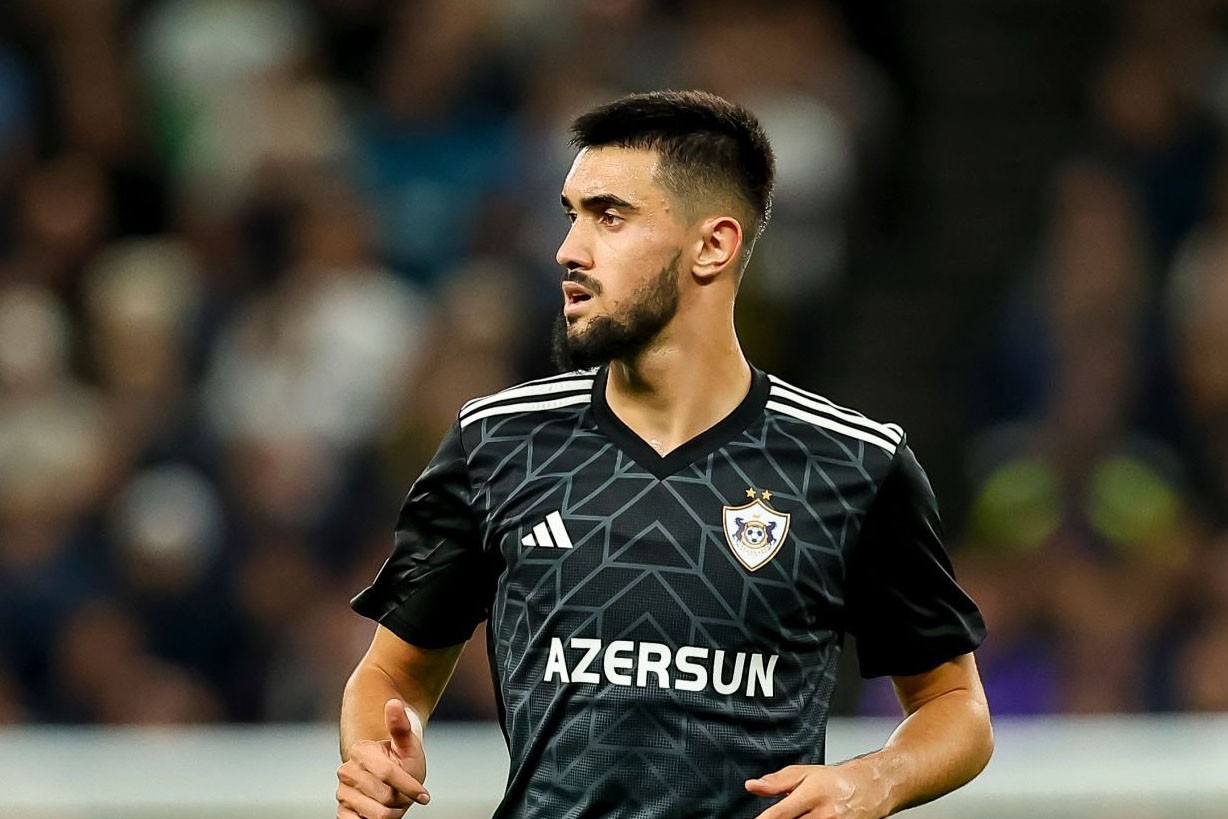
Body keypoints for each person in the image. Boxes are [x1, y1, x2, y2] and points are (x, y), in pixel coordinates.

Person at [336, 90, 992, 819]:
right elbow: (390, 673)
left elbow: (955, 705)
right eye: (572, 214)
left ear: (713, 245)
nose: (568, 250)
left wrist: (873, 780)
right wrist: (379, 749)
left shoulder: (853, 464)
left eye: (609, 216)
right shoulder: (495, 442)